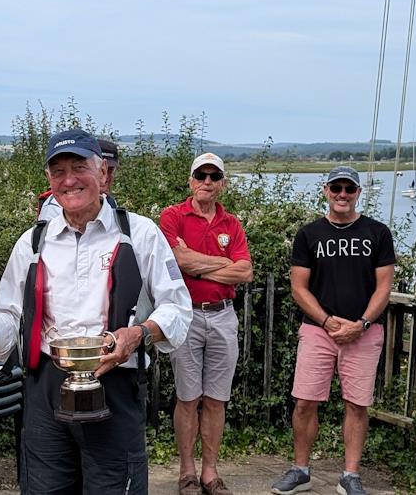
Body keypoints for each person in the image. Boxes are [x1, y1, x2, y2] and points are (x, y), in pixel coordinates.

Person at [0, 128, 192, 494]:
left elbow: (177, 307)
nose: (69, 180)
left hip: (116, 384)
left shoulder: (140, 234)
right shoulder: (33, 241)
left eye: (79, 167)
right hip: (45, 390)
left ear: (102, 173)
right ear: (49, 180)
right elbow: (10, 317)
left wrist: (137, 334)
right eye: (58, 171)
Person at [272, 165, 395, 495]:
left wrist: (362, 324)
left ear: (358, 193)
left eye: (349, 189)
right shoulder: (309, 235)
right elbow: (299, 287)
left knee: (357, 404)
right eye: (336, 188)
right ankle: (301, 470)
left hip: (364, 332)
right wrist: (327, 321)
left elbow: (384, 287)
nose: (342, 194)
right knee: (304, 402)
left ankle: (350, 476)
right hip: (317, 330)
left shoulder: (378, 233)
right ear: (325, 190)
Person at [159, 152, 253, 495]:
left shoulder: (232, 224)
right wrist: (221, 262)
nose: (207, 182)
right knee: (187, 397)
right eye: (201, 175)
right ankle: (187, 472)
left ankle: (210, 473)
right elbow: (176, 259)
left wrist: (197, 265)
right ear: (190, 180)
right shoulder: (172, 216)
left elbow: (245, 271)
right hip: (186, 315)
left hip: (223, 315)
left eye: (215, 177)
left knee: (216, 399)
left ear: (223, 184)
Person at [38, 137, 119, 221]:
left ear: (102, 171)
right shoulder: (53, 210)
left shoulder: (129, 227)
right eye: (58, 171)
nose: (69, 182)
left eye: (111, 170)